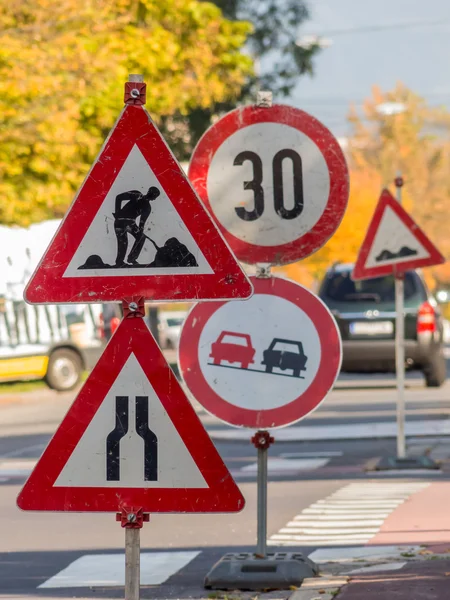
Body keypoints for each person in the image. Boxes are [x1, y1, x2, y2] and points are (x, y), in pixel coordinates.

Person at [113, 186, 160, 266]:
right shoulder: (137, 195)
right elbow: (118, 197)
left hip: (125, 222)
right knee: (125, 241)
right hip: (123, 222)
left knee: (129, 240)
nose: (153, 198)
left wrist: (118, 213)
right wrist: (118, 213)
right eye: (154, 196)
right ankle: (127, 260)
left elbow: (142, 224)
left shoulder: (146, 207)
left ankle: (125, 260)